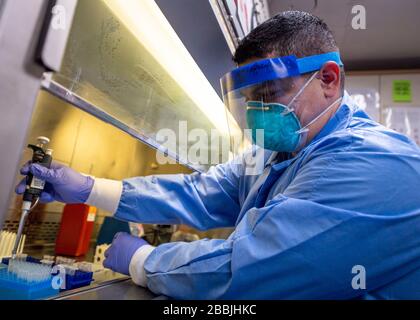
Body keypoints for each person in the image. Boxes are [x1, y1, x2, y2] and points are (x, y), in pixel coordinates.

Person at [16, 11, 420, 299]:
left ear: (328, 79)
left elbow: (256, 268)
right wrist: (89, 189)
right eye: (250, 101)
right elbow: (201, 191)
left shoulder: (374, 162)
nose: (258, 113)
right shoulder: (280, 152)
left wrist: (145, 261)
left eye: (269, 95)